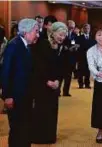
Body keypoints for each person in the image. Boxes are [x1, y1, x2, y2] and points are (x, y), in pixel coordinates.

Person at [1, 18, 39, 147]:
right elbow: (5, 72)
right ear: (26, 32)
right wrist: (7, 96)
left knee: (25, 128)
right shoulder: (14, 45)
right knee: (17, 129)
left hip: (26, 95)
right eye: (36, 31)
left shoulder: (26, 46)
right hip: (15, 96)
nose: (37, 34)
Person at [30, 22, 67, 144]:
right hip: (42, 83)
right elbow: (37, 66)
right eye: (60, 35)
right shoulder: (42, 44)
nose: (62, 38)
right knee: (41, 110)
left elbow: (62, 67)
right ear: (53, 32)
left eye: (64, 36)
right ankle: (38, 136)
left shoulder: (61, 46)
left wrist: (57, 80)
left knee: (52, 110)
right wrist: (47, 81)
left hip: (55, 84)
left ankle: (50, 136)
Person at [77, 23, 96, 89]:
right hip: (81, 57)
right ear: (83, 29)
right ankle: (81, 84)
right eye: (85, 28)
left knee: (88, 71)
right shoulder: (79, 38)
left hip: (89, 57)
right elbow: (77, 46)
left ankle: (87, 84)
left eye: (88, 28)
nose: (87, 29)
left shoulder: (92, 38)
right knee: (80, 71)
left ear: (90, 29)